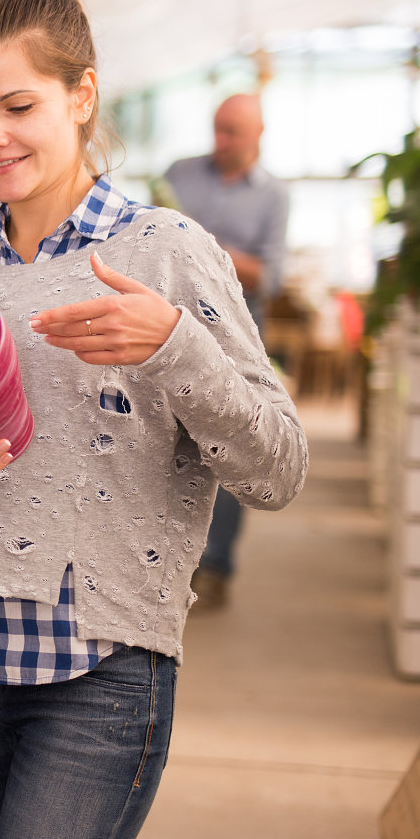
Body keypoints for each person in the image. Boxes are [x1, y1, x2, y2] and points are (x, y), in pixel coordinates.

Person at [0, 0, 308, 839]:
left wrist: (176, 346)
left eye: (19, 106)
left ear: (82, 96)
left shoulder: (167, 252)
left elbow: (278, 467)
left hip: (94, 674)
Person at [165, 96, 290, 608]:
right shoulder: (179, 174)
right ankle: (171, 556)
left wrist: (203, 247)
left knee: (230, 436)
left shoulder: (274, 196)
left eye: (233, 132)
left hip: (236, 322)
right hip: (171, 317)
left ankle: (215, 564)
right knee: (167, 436)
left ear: (258, 134)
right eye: (218, 129)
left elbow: (270, 275)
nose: (222, 141)